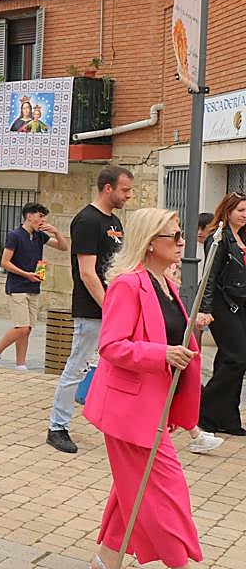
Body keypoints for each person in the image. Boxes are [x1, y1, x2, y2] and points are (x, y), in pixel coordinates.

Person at [83, 208, 203, 569]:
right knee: (168, 490)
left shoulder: (166, 283)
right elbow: (111, 345)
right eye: (175, 236)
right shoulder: (127, 284)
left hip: (156, 405)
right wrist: (162, 353)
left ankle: (106, 558)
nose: (183, 241)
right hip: (129, 411)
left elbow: (162, 328)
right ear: (151, 243)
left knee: (130, 489)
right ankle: (178, 561)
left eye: (181, 234)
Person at [46, 165, 134, 455]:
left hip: (114, 307)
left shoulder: (115, 222)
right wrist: (110, 307)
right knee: (77, 365)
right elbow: (87, 273)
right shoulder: (86, 220)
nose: (128, 195)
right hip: (93, 308)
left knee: (116, 365)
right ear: (107, 188)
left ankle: (117, 421)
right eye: (124, 190)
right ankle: (57, 427)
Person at [0, 202, 69, 370]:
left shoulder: (40, 236)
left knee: (27, 328)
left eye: (44, 217)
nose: (42, 220)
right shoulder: (14, 235)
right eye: (40, 216)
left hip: (33, 287)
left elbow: (63, 247)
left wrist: (56, 232)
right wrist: (26, 274)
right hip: (17, 287)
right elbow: (5, 262)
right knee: (21, 327)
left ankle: (20, 364)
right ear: (29, 216)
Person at [198, 191, 246, 438]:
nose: (245, 215)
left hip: (242, 304)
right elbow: (210, 276)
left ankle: (226, 417)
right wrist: (205, 309)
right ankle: (204, 409)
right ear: (227, 212)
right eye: (240, 211)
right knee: (237, 357)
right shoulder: (219, 238)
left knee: (231, 359)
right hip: (221, 303)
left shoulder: (243, 237)